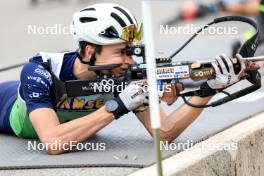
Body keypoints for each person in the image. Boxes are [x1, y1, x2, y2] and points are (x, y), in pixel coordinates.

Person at [0, 3, 250, 155]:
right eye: (121, 52)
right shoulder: (41, 70)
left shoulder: (127, 72)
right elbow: (53, 142)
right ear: (90, 50)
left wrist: (207, 90)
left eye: (131, 51)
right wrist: (118, 106)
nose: (129, 61)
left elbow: (164, 133)